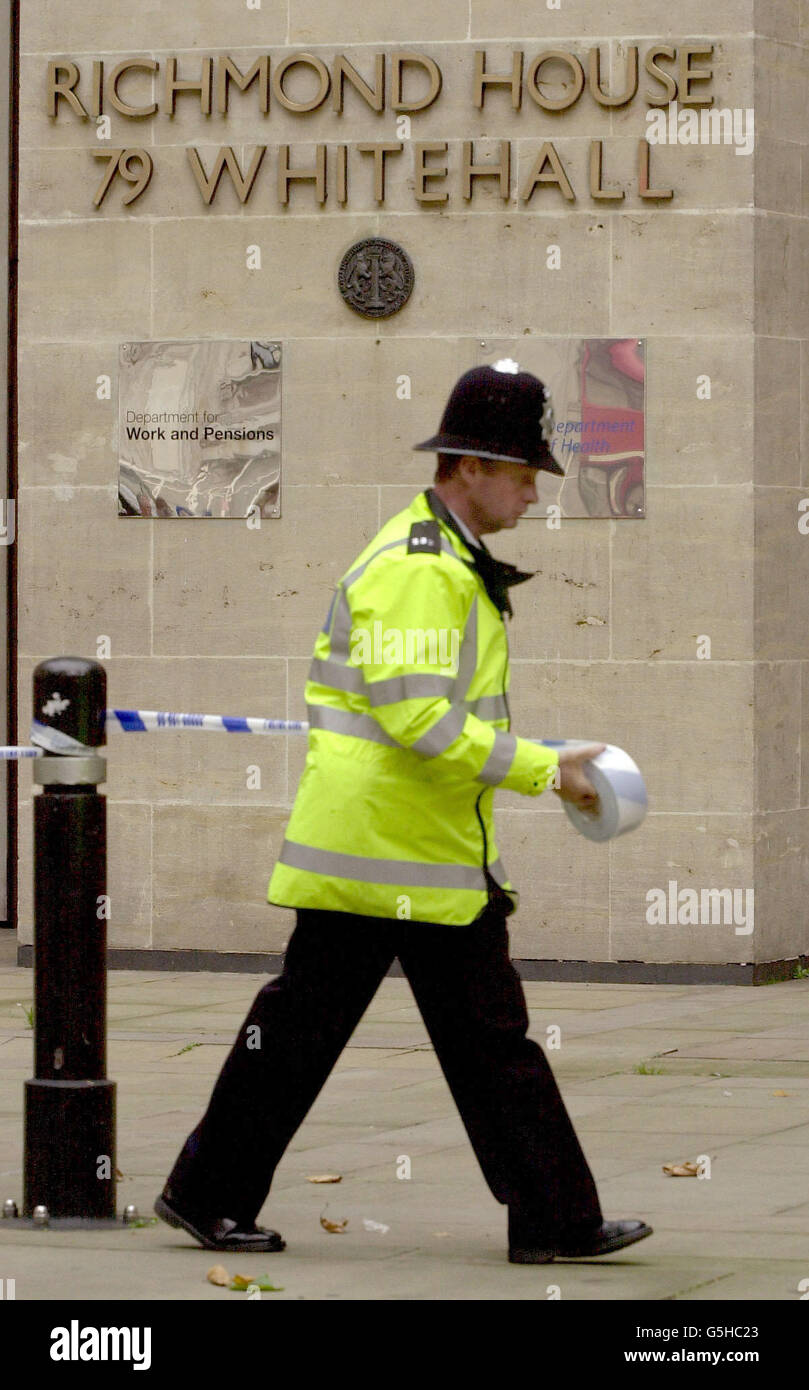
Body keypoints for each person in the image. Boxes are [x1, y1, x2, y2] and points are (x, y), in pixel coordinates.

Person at [155, 363, 653, 1265]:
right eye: (522, 473)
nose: (534, 492)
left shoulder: (443, 557)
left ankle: (551, 1219)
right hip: (380, 857)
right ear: (466, 467)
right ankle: (549, 1219)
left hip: (412, 854)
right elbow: (418, 718)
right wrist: (550, 773)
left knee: (464, 1042)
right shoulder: (420, 569)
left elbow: (428, 721)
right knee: (376, 1038)